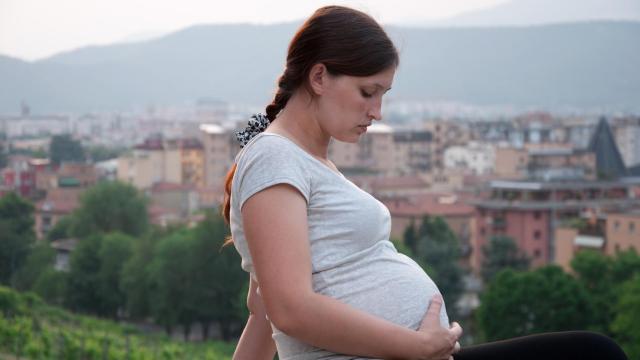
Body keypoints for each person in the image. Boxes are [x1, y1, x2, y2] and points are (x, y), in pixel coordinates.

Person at [222, 5, 628, 360]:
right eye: (368, 92)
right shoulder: (273, 155)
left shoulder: (304, 161)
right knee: (592, 353)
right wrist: (415, 347)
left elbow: (264, 309)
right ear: (319, 76)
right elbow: (289, 309)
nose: (377, 111)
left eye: (383, 95)